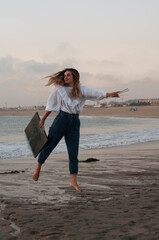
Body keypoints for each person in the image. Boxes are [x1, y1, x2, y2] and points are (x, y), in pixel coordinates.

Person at [33, 68, 120, 192]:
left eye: (68, 75)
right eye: (64, 75)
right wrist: (43, 119)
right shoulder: (59, 89)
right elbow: (50, 105)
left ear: (74, 77)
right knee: (50, 144)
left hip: (75, 122)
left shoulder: (81, 89)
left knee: (73, 152)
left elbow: (94, 92)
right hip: (61, 120)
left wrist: (109, 94)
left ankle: (73, 181)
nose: (65, 77)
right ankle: (38, 167)